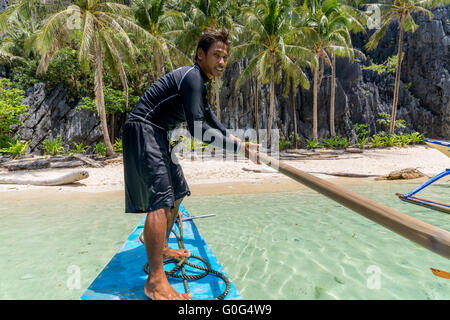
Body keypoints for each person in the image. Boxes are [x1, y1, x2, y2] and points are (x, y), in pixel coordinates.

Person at [122, 29, 260, 300]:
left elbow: (208, 116)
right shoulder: (192, 77)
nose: (222, 62)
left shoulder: (199, 82)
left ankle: (160, 248)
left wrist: (231, 136)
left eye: (225, 57)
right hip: (144, 129)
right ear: (200, 55)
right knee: (160, 201)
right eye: (216, 55)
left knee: (179, 192)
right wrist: (237, 148)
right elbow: (198, 129)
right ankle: (155, 282)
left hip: (160, 133)